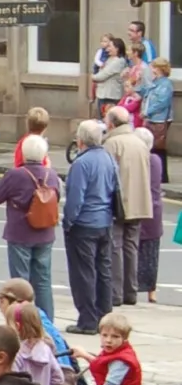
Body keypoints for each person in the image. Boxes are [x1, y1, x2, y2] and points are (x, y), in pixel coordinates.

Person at [0, 134, 60, 319]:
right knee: (43, 281)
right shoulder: (51, 174)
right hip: (45, 233)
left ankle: (20, 320)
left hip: (20, 233)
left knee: (20, 282)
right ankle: (46, 321)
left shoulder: (15, 175)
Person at [63, 118, 119, 333]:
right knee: (103, 270)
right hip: (104, 222)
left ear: (80, 140)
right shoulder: (108, 158)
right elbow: (116, 189)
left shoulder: (81, 163)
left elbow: (75, 198)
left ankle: (87, 321)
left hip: (84, 224)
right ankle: (105, 317)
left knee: (84, 274)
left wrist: (68, 222)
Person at [103, 105, 152, 308]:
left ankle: (116, 293)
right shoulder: (140, 143)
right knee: (131, 247)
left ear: (112, 123)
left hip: (119, 203)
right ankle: (130, 292)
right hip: (139, 201)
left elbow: (106, 176)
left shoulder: (111, 143)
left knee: (115, 247)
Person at [66, 310, 141, 385]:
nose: (108, 340)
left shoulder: (121, 360)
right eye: (104, 335)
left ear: (124, 339)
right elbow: (101, 364)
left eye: (115, 336)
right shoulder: (117, 351)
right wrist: (84, 354)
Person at [9, 302, 69, 385]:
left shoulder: (17, 354)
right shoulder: (46, 349)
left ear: (17, 326)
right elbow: (59, 378)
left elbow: (13, 382)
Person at [137, 126, 165, 303]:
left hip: (141, 210)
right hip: (155, 210)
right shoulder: (156, 159)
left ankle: (133, 286)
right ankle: (151, 291)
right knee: (151, 253)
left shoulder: (143, 160)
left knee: (134, 251)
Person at [138, 58, 173, 181]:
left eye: (153, 67)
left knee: (158, 147)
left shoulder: (165, 84)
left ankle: (162, 175)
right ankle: (156, 173)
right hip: (151, 118)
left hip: (159, 119)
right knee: (153, 146)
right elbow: (142, 91)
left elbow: (162, 102)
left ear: (159, 69)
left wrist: (147, 112)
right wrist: (139, 80)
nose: (151, 70)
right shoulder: (154, 82)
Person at [91, 35, 129, 114]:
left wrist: (93, 76)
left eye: (110, 47)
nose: (107, 49)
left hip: (110, 96)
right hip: (103, 94)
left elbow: (103, 75)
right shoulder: (110, 59)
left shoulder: (118, 61)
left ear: (117, 48)